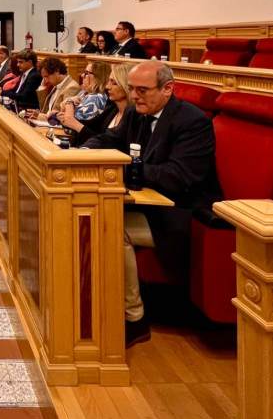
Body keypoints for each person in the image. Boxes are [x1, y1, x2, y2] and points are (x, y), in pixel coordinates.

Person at [82, 61, 220, 347]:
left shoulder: (192, 122)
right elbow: (112, 139)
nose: (134, 96)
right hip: (146, 205)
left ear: (168, 89)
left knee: (111, 227)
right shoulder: (137, 113)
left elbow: (178, 177)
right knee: (91, 215)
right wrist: (87, 150)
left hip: (180, 212)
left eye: (142, 90)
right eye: (131, 89)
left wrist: (124, 168)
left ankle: (134, 318)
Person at [59, 64, 132, 145]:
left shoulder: (133, 116)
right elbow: (89, 128)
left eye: (114, 83)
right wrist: (67, 119)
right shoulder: (112, 109)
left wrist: (71, 114)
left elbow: (106, 143)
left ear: (127, 86)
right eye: (109, 81)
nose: (107, 87)